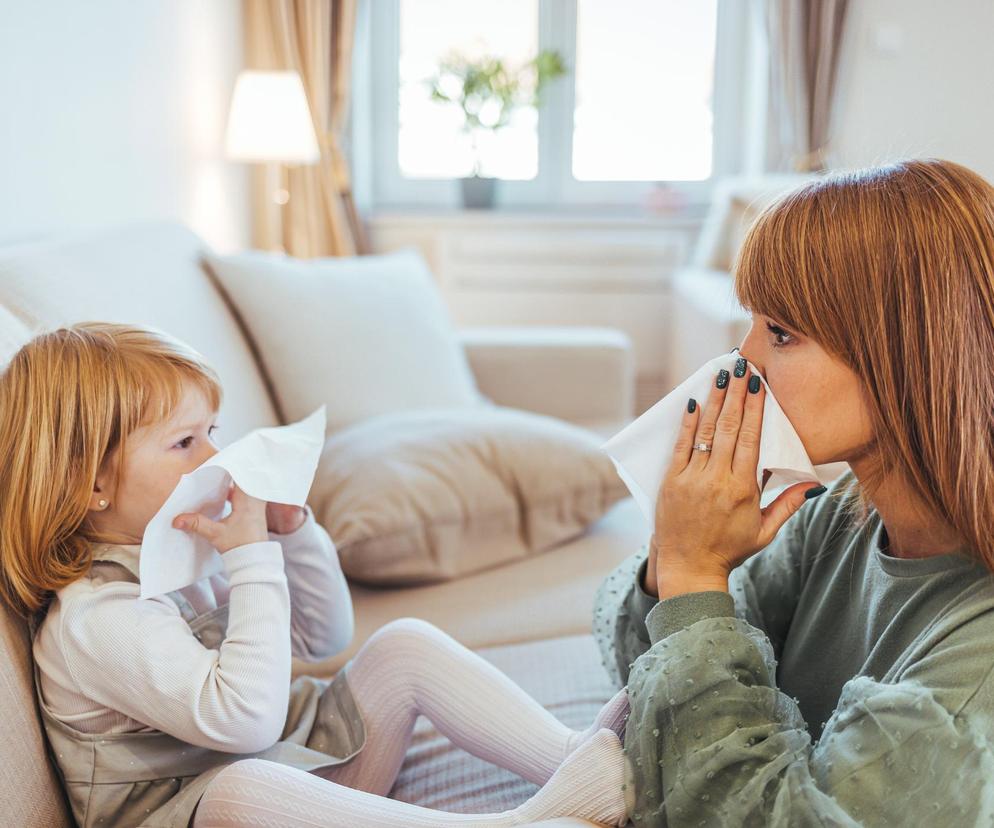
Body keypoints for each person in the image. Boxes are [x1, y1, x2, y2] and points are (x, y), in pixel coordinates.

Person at [0, 321, 633, 828]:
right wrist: (248, 559)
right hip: (220, 803)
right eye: (185, 442)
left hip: (298, 769)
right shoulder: (97, 619)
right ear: (93, 483)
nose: (218, 457)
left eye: (212, 431)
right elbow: (242, 721)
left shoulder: (173, 551)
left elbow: (322, 638)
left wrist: (291, 534)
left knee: (403, 645)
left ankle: (575, 757)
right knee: (238, 792)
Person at [593, 157, 994, 826]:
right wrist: (679, 556)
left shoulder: (968, 675)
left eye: (781, 332)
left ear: (903, 358)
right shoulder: (840, 514)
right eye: (752, 321)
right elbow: (651, 676)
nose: (742, 358)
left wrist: (696, 574)